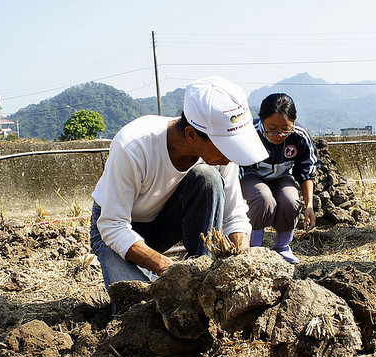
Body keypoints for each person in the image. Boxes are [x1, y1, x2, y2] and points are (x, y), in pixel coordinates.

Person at [89, 76, 268, 301]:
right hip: (115, 227)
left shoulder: (222, 158)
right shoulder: (133, 146)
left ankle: (203, 274)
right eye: (224, 147)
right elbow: (113, 226)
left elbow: (234, 214)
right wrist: (170, 270)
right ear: (192, 135)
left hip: (165, 221)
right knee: (140, 306)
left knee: (207, 177)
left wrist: (239, 259)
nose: (229, 157)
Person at [240, 93, 319, 264]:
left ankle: (282, 246)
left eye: (285, 128)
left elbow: (306, 171)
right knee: (263, 198)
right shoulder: (249, 134)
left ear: (293, 122)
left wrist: (309, 205)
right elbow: (236, 168)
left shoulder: (299, 136)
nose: (279, 134)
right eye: (272, 128)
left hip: (282, 176)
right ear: (261, 120)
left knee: (290, 200)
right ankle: (254, 247)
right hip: (252, 175)